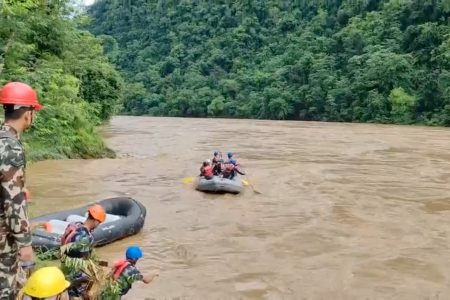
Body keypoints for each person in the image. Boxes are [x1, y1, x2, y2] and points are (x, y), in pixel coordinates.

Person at [0, 81, 42, 299]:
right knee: (6, 288)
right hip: (3, 239)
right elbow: (13, 201)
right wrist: (25, 244)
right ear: (27, 114)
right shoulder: (12, 147)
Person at [60, 204, 106, 299]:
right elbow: (84, 261)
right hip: (74, 273)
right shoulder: (86, 238)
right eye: (99, 223)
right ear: (96, 221)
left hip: (64, 264)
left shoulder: (75, 224)